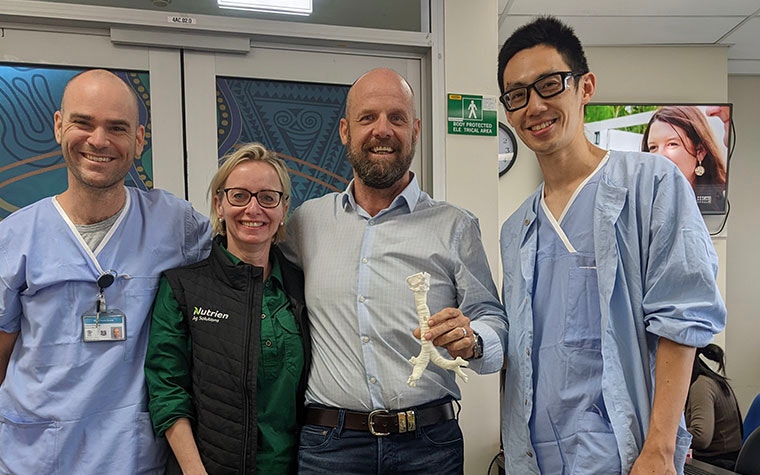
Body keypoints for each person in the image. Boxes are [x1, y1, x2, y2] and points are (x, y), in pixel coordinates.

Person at [496, 17, 726, 475]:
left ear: (585, 87)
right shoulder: (516, 227)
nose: (534, 106)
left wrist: (659, 449)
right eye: (517, 95)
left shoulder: (652, 185)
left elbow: (681, 320)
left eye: (549, 85)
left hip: (627, 454)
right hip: (536, 455)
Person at [280, 67, 508, 474]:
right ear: (345, 131)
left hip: (428, 447)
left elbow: (494, 319)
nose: (382, 130)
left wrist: (474, 340)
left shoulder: (456, 226)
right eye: (368, 118)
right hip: (330, 447)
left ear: (415, 129)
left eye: (396, 118)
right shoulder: (305, 224)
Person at [0, 69, 211, 474]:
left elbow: (242, 259)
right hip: (34, 456)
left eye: (117, 127)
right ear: (59, 125)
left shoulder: (175, 225)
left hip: (130, 455)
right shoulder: (15, 238)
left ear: (138, 140)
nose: (99, 140)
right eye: (83, 122)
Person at [145, 142, 309, 474]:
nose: (253, 209)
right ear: (219, 204)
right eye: (239, 196)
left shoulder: (301, 287)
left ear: (283, 209)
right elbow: (167, 390)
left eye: (267, 197)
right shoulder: (183, 288)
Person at [641, 105, 728, 213]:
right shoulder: (640, 208)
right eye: (653, 147)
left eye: (672, 144)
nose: (660, 156)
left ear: (700, 151)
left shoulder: (728, 203)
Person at [686, 343, 743, 470]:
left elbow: (701, 437)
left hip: (718, 465)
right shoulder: (713, 380)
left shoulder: (701, 386)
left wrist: (665, 433)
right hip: (725, 462)